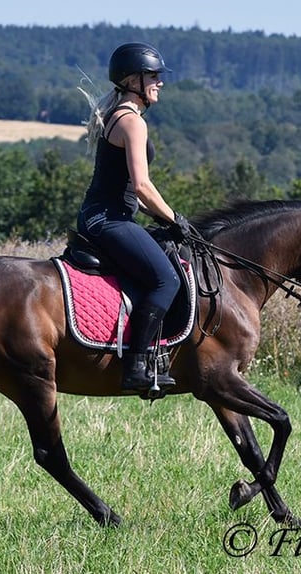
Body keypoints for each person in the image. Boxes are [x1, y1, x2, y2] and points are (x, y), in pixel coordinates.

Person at [76, 41, 190, 393]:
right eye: (153, 76)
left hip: (107, 215)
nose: (160, 82)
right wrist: (174, 218)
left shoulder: (121, 116)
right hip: (108, 220)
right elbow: (142, 185)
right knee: (166, 280)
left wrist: (160, 218)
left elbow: (125, 188)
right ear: (132, 80)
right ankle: (138, 366)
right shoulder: (132, 122)